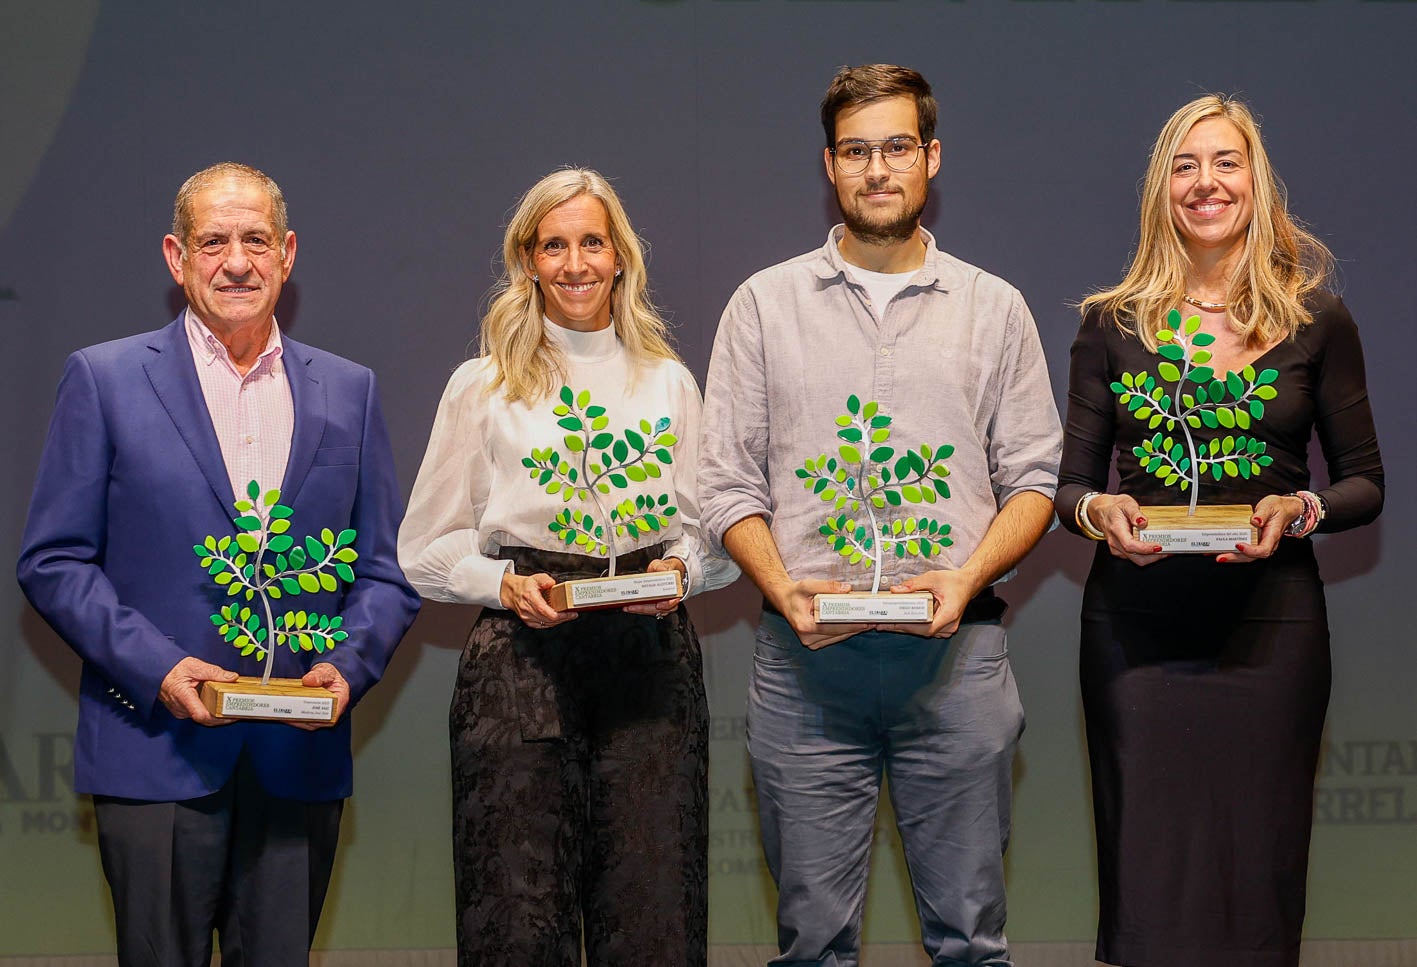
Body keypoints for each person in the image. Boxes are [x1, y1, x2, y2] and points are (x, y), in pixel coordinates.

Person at [699, 65, 1061, 966]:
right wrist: (781, 588)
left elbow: (1034, 481)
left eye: (896, 146)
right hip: (805, 668)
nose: (877, 169)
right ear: (829, 165)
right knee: (811, 942)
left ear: (930, 158)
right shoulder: (762, 306)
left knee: (971, 942)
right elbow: (725, 483)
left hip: (958, 663)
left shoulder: (996, 308)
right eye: (855, 151)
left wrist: (966, 575)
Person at [16, 162, 419, 966]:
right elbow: (54, 560)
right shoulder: (103, 379)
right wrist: (161, 667)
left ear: (288, 252)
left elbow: (386, 569)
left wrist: (349, 663)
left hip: (296, 758)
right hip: (155, 751)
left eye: (256, 240)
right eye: (213, 241)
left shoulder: (349, 391)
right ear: (176, 256)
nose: (236, 261)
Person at [1055, 94, 1384, 967]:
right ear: (1162, 189)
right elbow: (1070, 487)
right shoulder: (1110, 322)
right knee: (1148, 885)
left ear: (1255, 180)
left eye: (1225, 162)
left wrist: (1300, 507)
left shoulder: (1317, 318)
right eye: (1185, 164)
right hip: (1135, 635)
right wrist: (1099, 514)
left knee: (1256, 881)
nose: (1206, 183)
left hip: (1270, 631)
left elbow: (1364, 483)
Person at [398, 167, 737, 966]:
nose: (575, 262)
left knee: (653, 906)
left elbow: (712, 536)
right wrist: (502, 585)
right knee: (514, 912)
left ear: (621, 257)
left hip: (648, 662)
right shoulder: (481, 386)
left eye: (592, 242)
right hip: (517, 663)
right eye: (554, 244)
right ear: (527, 260)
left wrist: (681, 575)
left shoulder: (668, 383)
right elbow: (423, 547)